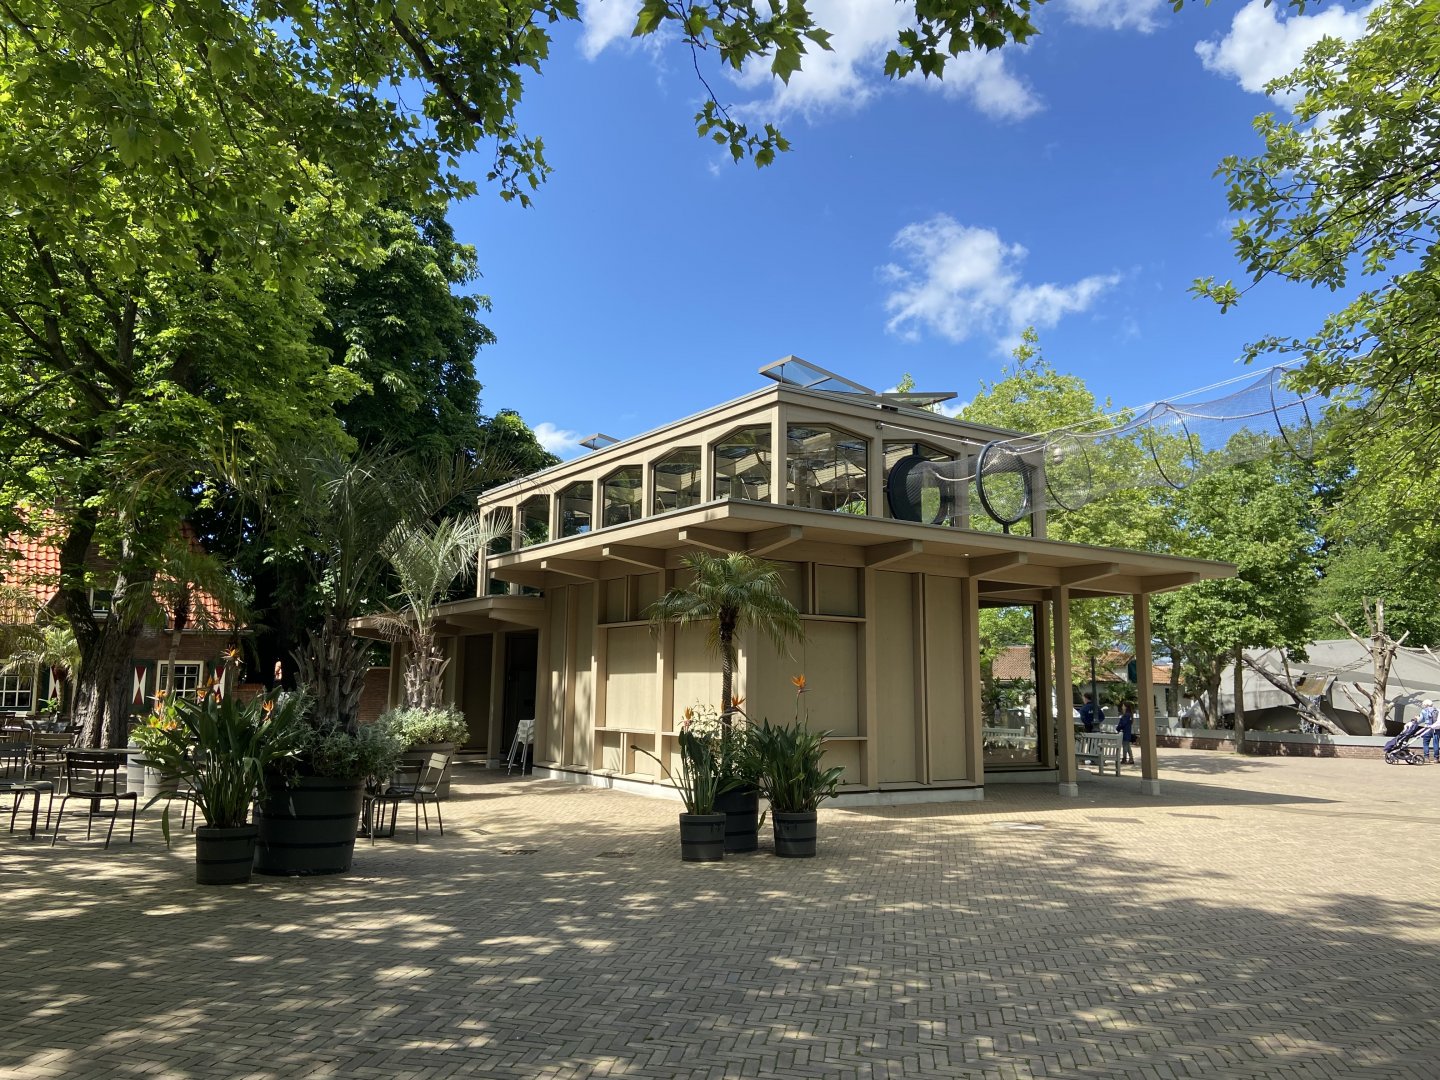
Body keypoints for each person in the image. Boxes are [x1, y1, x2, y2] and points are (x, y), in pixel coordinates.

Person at [1116, 700, 1136, 765]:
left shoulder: (1126, 715)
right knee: (1127, 746)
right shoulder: (1130, 715)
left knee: (1125, 746)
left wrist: (1118, 728)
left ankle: (1124, 758)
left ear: (1126, 707)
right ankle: (1131, 759)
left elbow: (1122, 724)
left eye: (1123, 706)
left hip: (1124, 733)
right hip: (1128, 733)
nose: (1122, 707)